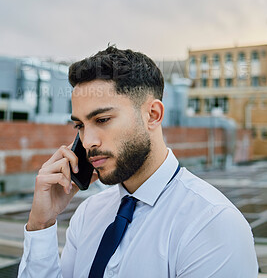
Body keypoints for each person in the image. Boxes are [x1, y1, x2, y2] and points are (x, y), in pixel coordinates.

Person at [18, 46, 258, 278]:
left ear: (153, 115)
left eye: (102, 120)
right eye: (80, 126)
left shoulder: (212, 223)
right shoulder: (88, 215)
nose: (88, 141)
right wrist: (41, 224)